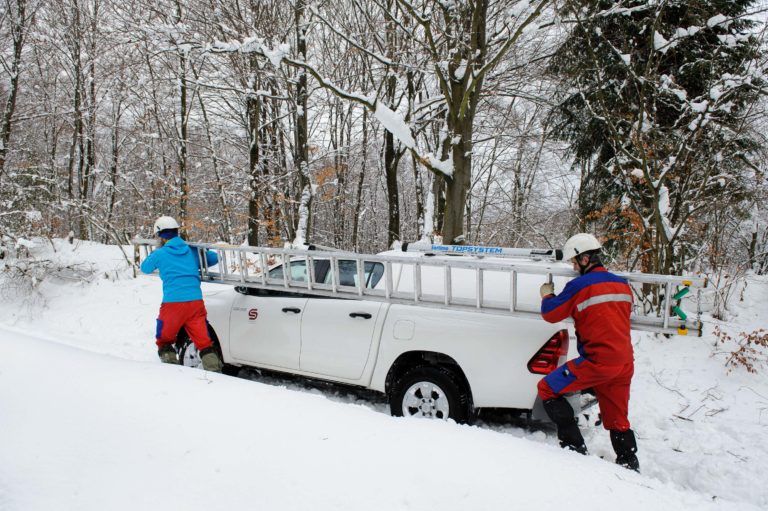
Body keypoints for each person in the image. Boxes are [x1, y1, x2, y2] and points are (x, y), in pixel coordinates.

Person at [537, 233, 639, 471]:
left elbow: (551, 314)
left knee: (547, 388)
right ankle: (629, 462)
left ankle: (574, 450)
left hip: (597, 362)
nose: (573, 267)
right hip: (624, 363)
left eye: (574, 261)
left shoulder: (579, 286)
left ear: (585, 258)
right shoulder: (622, 285)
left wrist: (547, 294)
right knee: (617, 419)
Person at [140, 216, 223, 373]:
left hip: (173, 304)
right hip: (195, 303)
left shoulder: (161, 253)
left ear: (160, 236)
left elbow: (145, 268)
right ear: (177, 232)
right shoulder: (191, 251)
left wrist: (157, 252)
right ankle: (215, 374)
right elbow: (214, 258)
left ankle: (173, 375)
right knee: (204, 343)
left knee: (164, 340)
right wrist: (200, 250)